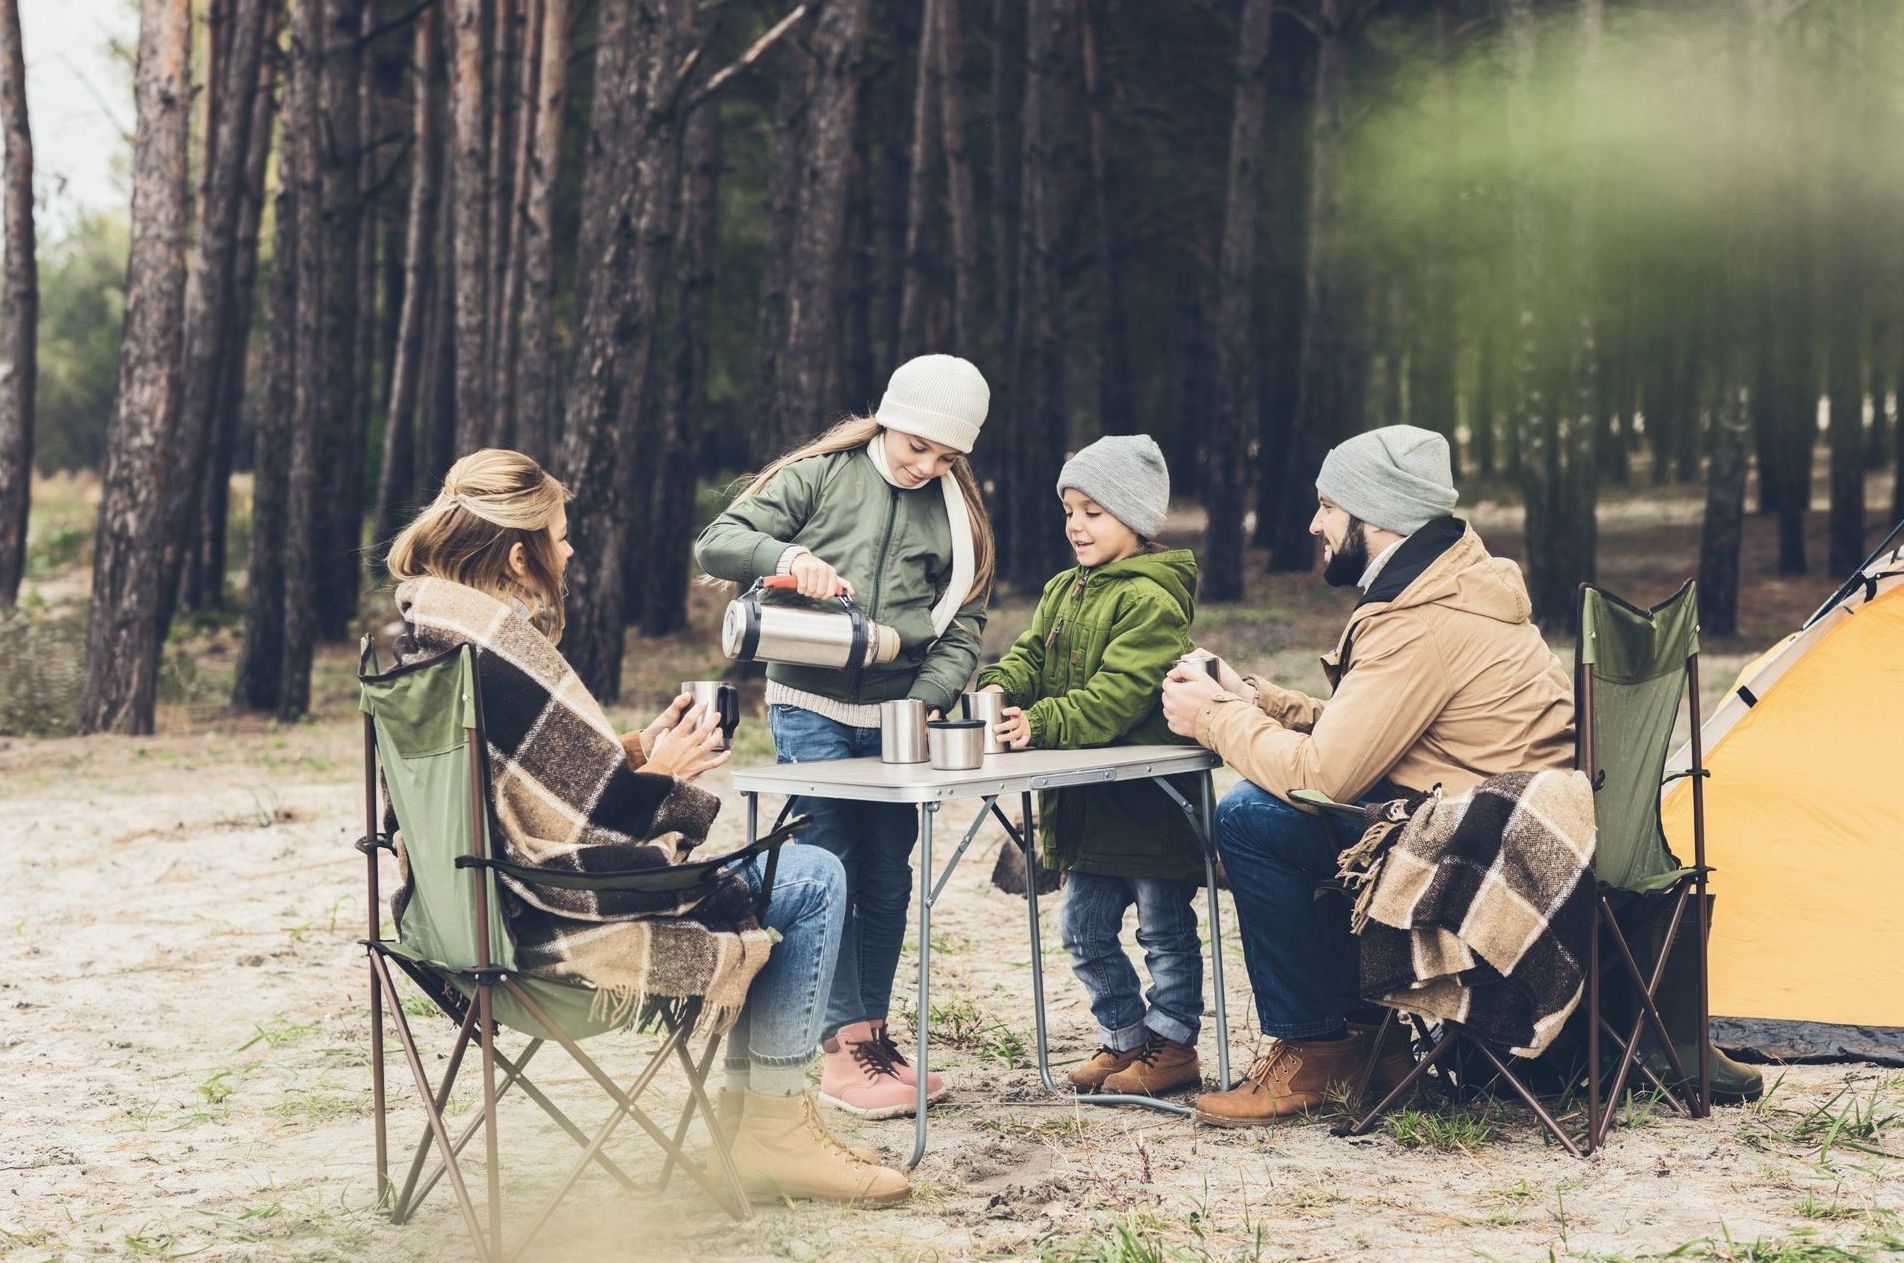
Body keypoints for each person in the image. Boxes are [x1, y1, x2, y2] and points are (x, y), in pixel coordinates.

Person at [385, 448, 908, 1205]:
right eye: (560, 536)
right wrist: (663, 774)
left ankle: (758, 1129)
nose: (570, 550)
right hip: (548, 926)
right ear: (519, 553)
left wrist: (631, 750)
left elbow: (511, 786)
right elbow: (593, 822)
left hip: (457, 922)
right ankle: (772, 1130)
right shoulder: (498, 646)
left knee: (787, 880)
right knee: (813, 878)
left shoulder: (424, 635)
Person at [1160, 424, 1575, 1127]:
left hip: (1479, 862)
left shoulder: (1418, 621)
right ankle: (1368, 1047)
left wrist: (1211, 719)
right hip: (1503, 826)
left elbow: (1325, 775)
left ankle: (1321, 1046)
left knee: (1255, 817)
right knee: (1299, 813)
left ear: (1374, 513)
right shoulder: (1453, 584)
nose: (1315, 523)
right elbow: (1383, 730)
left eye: (1328, 505)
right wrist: (1256, 699)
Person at [694, 355, 995, 1119]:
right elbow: (718, 543)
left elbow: (963, 625)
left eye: (947, 456)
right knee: (829, 868)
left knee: (889, 873)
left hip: (898, 718)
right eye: (917, 446)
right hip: (810, 707)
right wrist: (788, 557)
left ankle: (871, 1034)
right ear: (889, 416)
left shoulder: (957, 513)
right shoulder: (821, 476)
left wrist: (926, 699)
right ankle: (838, 1050)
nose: (928, 466)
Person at [976, 435, 1208, 1098]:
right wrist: (1000, 687)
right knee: (1081, 926)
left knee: (1163, 930)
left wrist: (1039, 723)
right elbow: (1027, 657)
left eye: (1094, 511)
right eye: (1069, 509)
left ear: (1134, 518)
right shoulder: (1061, 591)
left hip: (1150, 802)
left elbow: (1116, 696)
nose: (1076, 524)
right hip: (1087, 804)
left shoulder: (1153, 600)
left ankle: (1173, 1046)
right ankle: (1125, 1037)